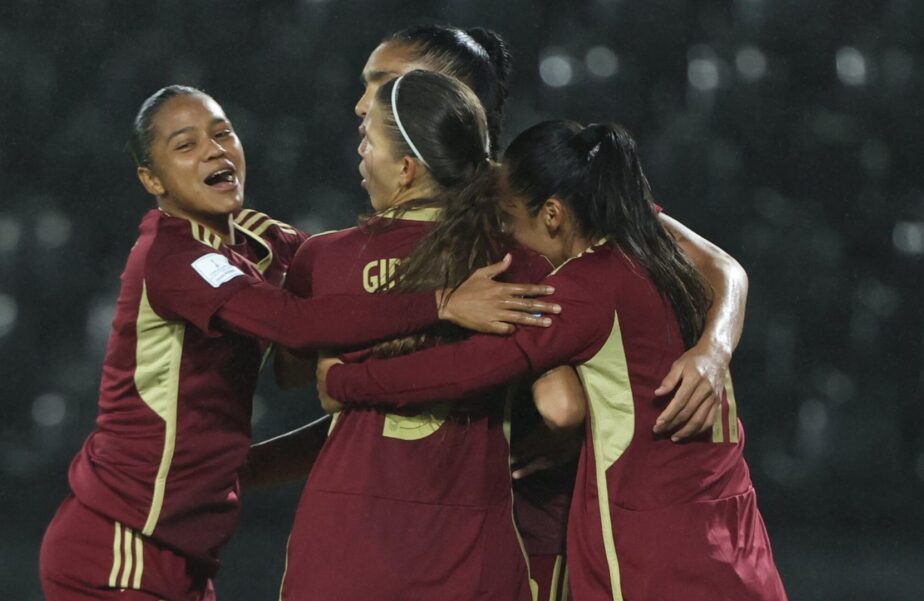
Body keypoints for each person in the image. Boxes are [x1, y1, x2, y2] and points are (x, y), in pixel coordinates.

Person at [254, 24, 750, 601]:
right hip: (421, 529)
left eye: (387, 85)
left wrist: (713, 348)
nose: (364, 104)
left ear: (451, 96)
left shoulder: (541, 195)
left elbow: (720, 267)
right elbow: (366, 412)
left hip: (533, 524)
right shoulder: (392, 227)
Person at [37, 84, 559, 601]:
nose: (215, 149)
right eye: (186, 144)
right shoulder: (173, 257)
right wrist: (441, 302)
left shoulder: (263, 239)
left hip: (189, 551)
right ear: (151, 179)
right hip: (123, 544)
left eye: (223, 133)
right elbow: (296, 325)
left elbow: (348, 282)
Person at [318, 121, 788, 601]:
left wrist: (349, 380)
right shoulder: (658, 247)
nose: (508, 232)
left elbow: (462, 369)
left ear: (551, 215)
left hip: (653, 552)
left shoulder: (584, 289)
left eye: (510, 216)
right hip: (736, 537)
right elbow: (726, 267)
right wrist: (714, 348)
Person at [277, 70, 549, 601]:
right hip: (470, 545)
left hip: (344, 543)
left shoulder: (323, 260)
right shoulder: (521, 262)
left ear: (405, 168)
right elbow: (562, 400)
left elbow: (291, 374)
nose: (360, 157)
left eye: (367, 141)